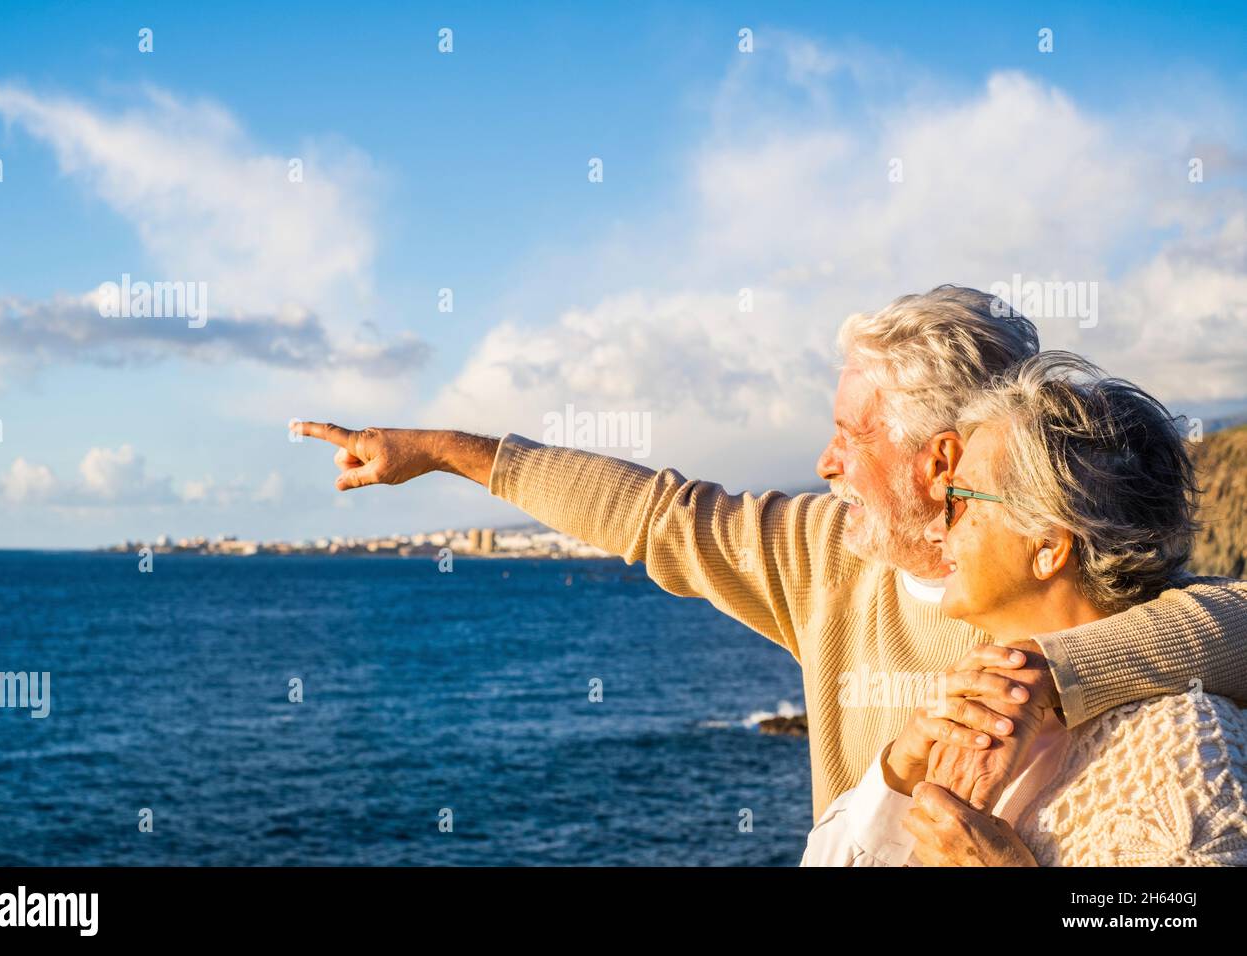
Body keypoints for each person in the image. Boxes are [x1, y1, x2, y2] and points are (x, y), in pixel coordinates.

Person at [295, 285, 1247, 849]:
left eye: (847, 434)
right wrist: (449, 450)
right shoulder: (825, 557)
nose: (825, 463)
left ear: (944, 457)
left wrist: (1061, 675)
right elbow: (654, 513)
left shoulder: (1146, 679)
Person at [801, 351, 1247, 865]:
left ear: (1047, 546)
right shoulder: (973, 712)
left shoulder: (1185, 761)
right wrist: (899, 771)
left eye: (958, 502)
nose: (933, 528)